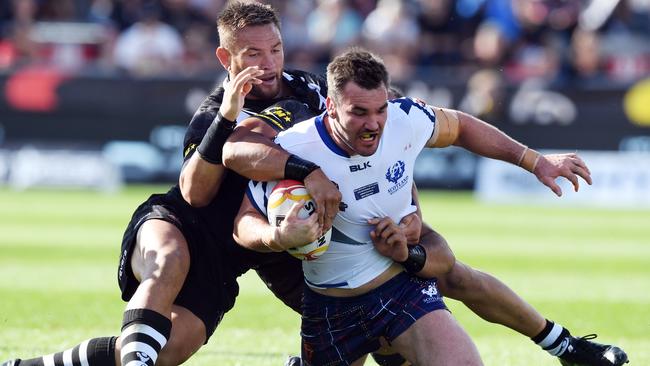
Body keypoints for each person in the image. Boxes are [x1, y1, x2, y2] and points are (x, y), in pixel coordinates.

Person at [1, 2, 628, 366]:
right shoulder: (221, 114)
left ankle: (561, 344)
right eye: (252, 54)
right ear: (227, 59)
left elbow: (427, 136)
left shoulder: (316, 93)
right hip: (206, 229)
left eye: (274, 49)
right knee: (166, 272)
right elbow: (201, 191)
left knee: (423, 270)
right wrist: (300, 173)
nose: (267, 63)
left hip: (280, 236)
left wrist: (413, 210)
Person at [236, 48, 485, 366]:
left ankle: (556, 340)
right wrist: (277, 237)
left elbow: (461, 127)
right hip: (329, 309)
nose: (374, 123)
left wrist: (532, 162)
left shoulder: (402, 118)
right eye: (359, 112)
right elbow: (243, 220)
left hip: (399, 290)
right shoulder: (293, 147)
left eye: (380, 110)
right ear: (332, 107)